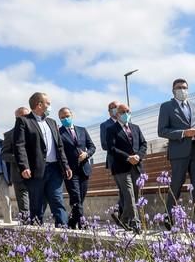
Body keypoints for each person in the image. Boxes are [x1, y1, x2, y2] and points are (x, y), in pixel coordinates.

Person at [14, 92, 72, 227]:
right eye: (48, 103)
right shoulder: (24, 121)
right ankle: (37, 235)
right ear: (39, 105)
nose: (50, 106)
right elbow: (19, 146)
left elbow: (60, 147)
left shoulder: (52, 122)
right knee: (36, 205)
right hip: (36, 171)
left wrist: (66, 166)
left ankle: (64, 231)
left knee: (58, 201)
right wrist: (24, 166)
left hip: (54, 170)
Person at [157, 78, 195, 227]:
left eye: (185, 87)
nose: (182, 90)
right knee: (176, 186)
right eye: (179, 87)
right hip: (178, 154)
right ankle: (169, 219)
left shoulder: (194, 106)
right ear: (173, 90)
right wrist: (183, 133)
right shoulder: (166, 107)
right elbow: (162, 131)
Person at [105, 104, 147, 234]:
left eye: (128, 111)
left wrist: (138, 156)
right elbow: (112, 148)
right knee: (129, 196)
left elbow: (143, 144)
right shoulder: (111, 129)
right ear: (117, 114)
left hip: (136, 166)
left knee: (135, 195)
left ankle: (123, 221)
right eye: (123, 112)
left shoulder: (136, 128)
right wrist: (128, 157)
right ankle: (136, 224)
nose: (126, 114)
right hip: (121, 168)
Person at [58, 107, 96, 229]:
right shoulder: (59, 133)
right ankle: (83, 224)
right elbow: (60, 152)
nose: (66, 118)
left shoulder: (82, 130)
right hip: (70, 171)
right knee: (76, 197)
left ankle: (71, 222)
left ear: (72, 115)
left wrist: (87, 154)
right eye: (62, 117)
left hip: (84, 169)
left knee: (80, 198)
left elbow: (92, 147)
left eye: (67, 116)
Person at [2, 107, 31, 220]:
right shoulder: (9, 135)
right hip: (19, 176)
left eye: (27, 116)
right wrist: (20, 159)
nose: (26, 119)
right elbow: (4, 155)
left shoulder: (35, 131)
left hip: (37, 174)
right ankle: (26, 228)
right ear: (17, 119)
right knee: (24, 206)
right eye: (22, 116)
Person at [100, 100, 125, 227]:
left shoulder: (125, 122)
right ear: (109, 111)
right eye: (111, 108)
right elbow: (105, 145)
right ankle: (119, 212)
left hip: (128, 160)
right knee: (123, 187)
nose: (114, 109)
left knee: (126, 188)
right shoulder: (105, 125)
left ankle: (120, 213)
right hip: (115, 160)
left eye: (116, 107)